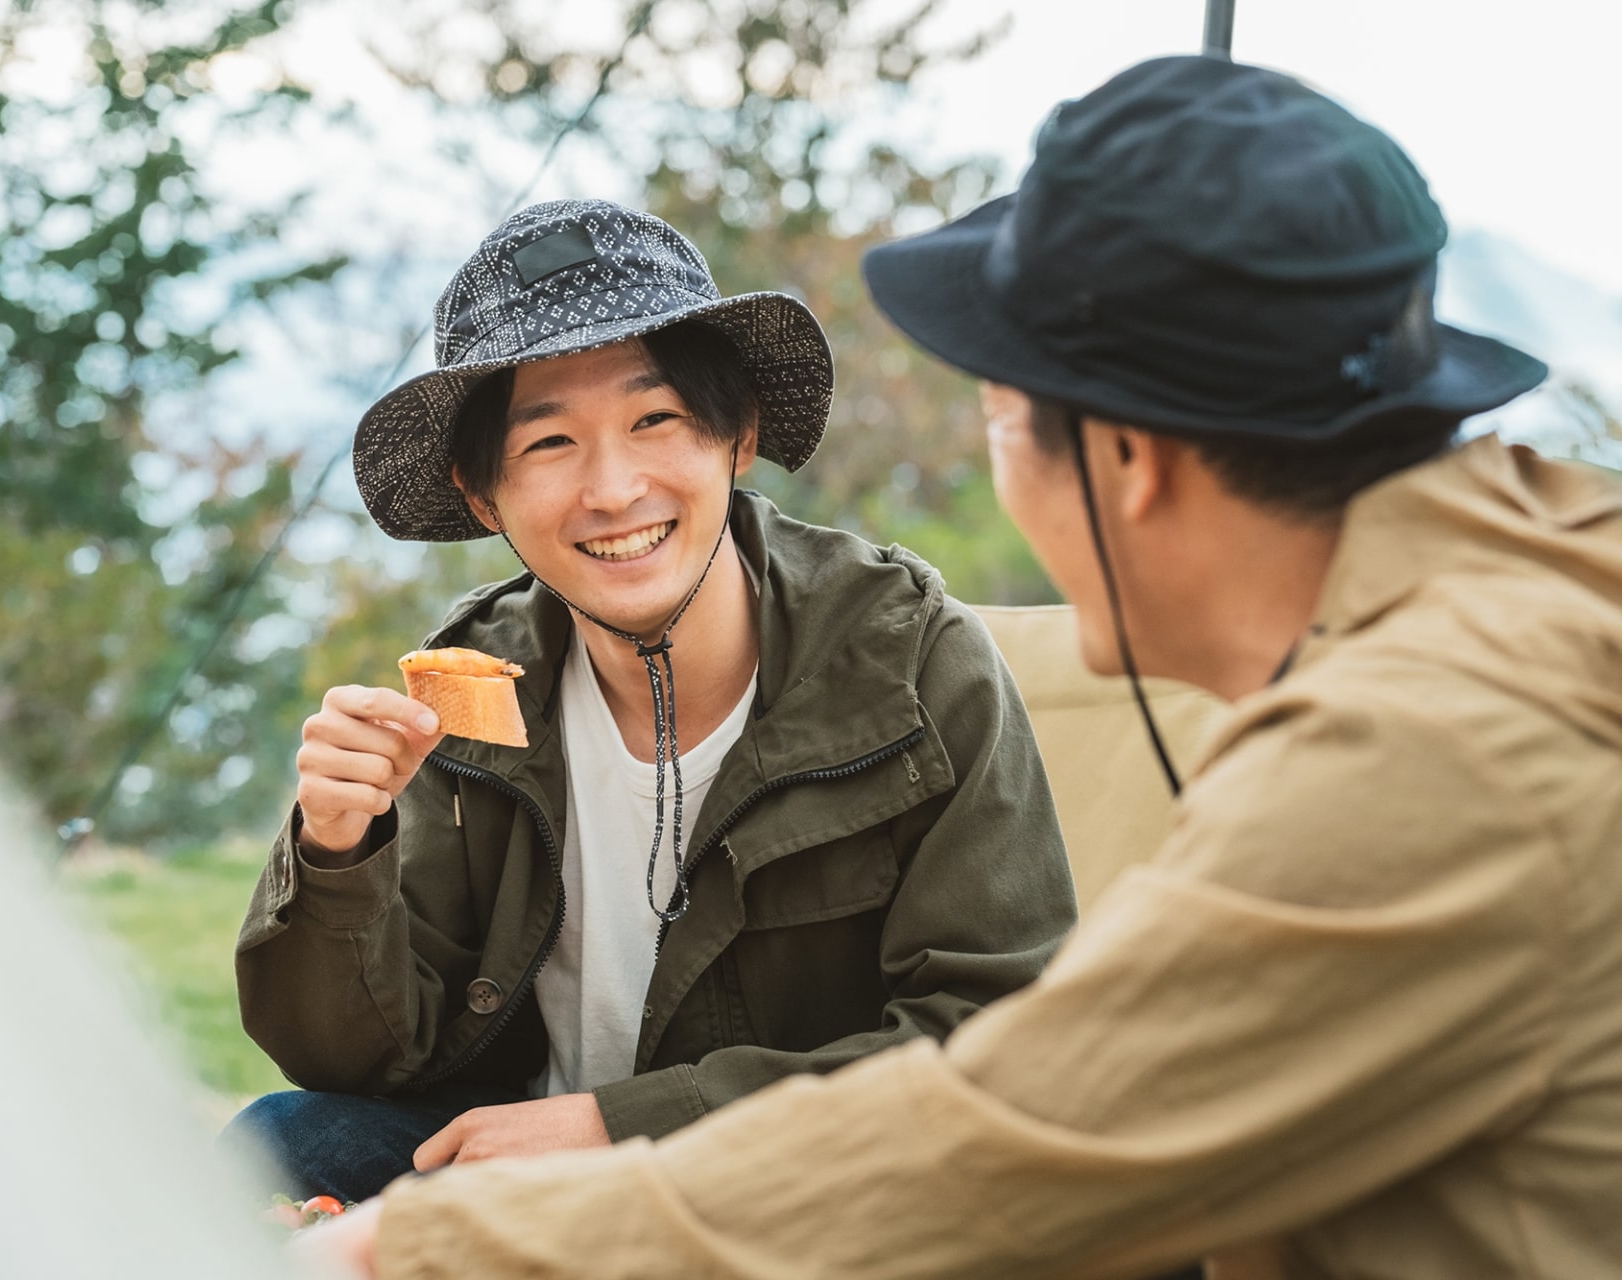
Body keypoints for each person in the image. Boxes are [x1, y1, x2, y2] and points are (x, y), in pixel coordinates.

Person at [293, 56, 1622, 1277]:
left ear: (1127, 463)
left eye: (998, 420)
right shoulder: (1527, 584)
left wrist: (414, 1254)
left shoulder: (1428, 751)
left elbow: (1003, 1136)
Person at [225, 198, 1076, 1202]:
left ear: (737, 434)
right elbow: (356, 1059)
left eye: (655, 418)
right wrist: (335, 850)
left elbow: (996, 1039)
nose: (614, 488)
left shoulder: (912, 663)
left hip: (803, 1192)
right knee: (279, 1147)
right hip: (540, 1191)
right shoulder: (472, 688)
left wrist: (616, 1126)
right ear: (483, 492)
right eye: (549, 443)